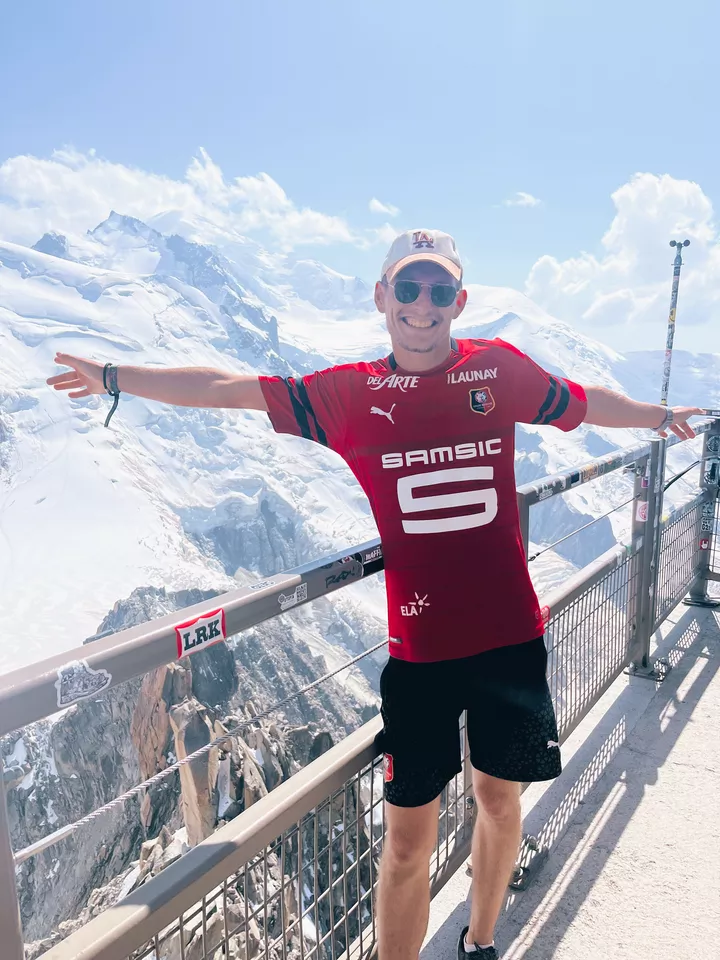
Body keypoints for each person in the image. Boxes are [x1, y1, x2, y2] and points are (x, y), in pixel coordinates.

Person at [47, 229, 702, 960]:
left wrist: (655, 418)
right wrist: (115, 376)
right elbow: (227, 390)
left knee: (499, 800)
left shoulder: (499, 369)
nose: (424, 304)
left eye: (439, 289)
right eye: (409, 288)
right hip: (420, 656)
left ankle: (480, 942)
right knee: (407, 845)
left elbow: (580, 403)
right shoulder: (349, 394)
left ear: (460, 300)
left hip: (511, 639)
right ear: (382, 296)